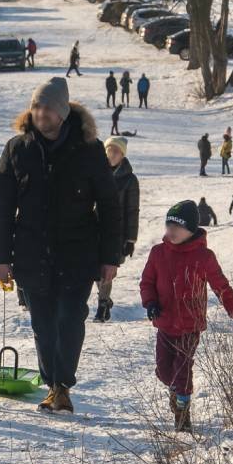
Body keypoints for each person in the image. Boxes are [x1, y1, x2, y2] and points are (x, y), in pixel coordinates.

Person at [0, 77, 120, 414]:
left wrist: (110, 257)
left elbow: (109, 205)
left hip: (78, 252)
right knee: (43, 325)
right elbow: (3, 208)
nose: (40, 113)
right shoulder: (17, 149)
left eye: (47, 107)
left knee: (70, 319)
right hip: (32, 253)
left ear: (62, 112)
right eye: (36, 106)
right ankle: (53, 386)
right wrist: (1, 258)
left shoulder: (89, 149)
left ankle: (62, 384)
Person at [140, 200, 233, 432]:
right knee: (164, 371)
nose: (171, 231)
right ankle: (176, 392)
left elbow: (221, 287)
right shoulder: (158, 253)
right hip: (165, 323)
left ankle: (182, 415)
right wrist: (150, 303)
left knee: (182, 370)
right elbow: (147, 282)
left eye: (177, 227)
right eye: (169, 226)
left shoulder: (203, 256)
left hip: (190, 325)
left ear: (191, 229)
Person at [93, 136, 139, 323]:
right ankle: (105, 298)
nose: (111, 154)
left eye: (116, 151)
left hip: (116, 233)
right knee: (94, 269)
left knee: (107, 269)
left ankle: (103, 305)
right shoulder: (96, 173)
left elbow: (132, 210)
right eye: (109, 150)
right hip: (94, 230)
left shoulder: (129, 180)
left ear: (122, 155)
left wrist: (131, 239)